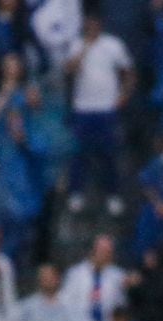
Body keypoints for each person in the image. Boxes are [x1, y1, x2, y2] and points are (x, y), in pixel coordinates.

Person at [65, 14, 135, 216]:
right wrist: (84, 48)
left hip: (107, 108)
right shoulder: (77, 45)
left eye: (96, 24)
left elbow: (128, 71)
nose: (92, 27)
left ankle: (113, 195)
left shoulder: (113, 44)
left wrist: (124, 96)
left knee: (109, 154)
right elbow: (70, 70)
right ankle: (76, 193)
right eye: (89, 24)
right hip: (83, 108)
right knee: (79, 154)